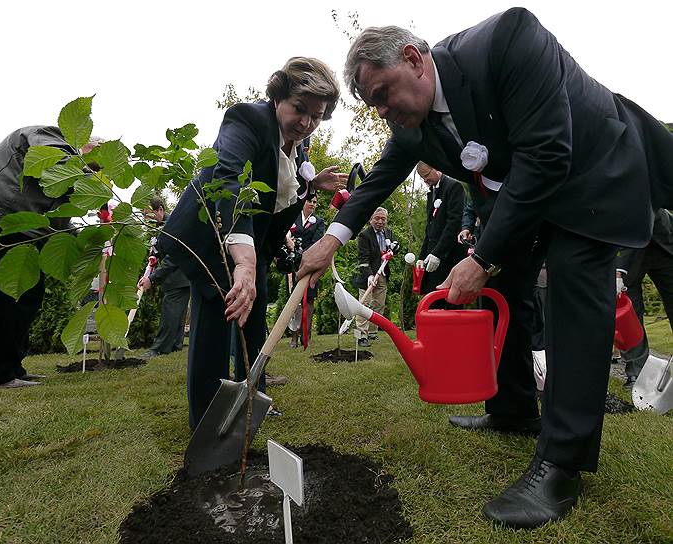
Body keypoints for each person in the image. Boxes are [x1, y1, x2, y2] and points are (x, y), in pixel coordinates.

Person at [297, 9, 673, 528]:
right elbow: (377, 181)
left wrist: (481, 257)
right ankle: (513, 410)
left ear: (414, 59)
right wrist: (331, 241)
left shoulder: (508, 40)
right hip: (530, 200)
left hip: (593, 171)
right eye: (373, 104)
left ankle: (561, 464)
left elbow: (545, 154)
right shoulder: (413, 125)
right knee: (510, 287)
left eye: (383, 94)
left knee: (570, 294)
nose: (383, 111)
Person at [159, 57, 345, 429]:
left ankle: (250, 398)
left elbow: (278, 195)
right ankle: (208, 423)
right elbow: (231, 181)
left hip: (253, 250)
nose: (307, 123)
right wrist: (242, 261)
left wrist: (311, 185)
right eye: (300, 110)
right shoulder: (247, 120)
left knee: (255, 322)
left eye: (317, 116)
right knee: (215, 322)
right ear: (278, 97)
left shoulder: (298, 148)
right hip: (211, 238)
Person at [0, 126, 100, 388]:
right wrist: (86, 174)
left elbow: (59, 218)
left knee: (27, 298)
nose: (95, 170)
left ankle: (13, 368)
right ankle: (2, 373)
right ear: (84, 144)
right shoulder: (54, 137)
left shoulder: (66, 178)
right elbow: (52, 161)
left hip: (28, 232)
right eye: (96, 160)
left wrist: (84, 237)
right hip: (7, 221)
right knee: (10, 300)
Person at [616, 208, 673, 387]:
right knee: (629, 310)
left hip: (663, 243)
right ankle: (638, 372)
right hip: (629, 250)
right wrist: (618, 271)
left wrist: (619, 270)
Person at [138, 197, 191, 359]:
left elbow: (172, 258)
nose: (147, 218)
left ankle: (158, 348)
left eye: (149, 214)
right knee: (177, 314)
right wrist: (148, 272)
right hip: (177, 279)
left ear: (160, 210)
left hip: (178, 277)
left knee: (170, 313)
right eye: (144, 216)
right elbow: (156, 254)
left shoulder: (170, 226)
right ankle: (175, 345)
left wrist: (152, 279)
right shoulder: (160, 227)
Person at [415, 162, 466, 296]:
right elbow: (430, 228)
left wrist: (437, 253)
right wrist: (422, 256)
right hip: (432, 257)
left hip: (449, 257)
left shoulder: (454, 187)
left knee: (446, 302)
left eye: (426, 175)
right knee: (431, 300)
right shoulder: (431, 192)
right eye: (422, 178)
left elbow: (453, 224)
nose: (425, 180)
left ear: (436, 168)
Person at [353, 207, 396, 347]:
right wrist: (370, 275)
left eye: (383, 219)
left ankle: (372, 332)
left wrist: (395, 249)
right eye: (377, 218)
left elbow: (393, 249)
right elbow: (363, 258)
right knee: (363, 305)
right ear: (371, 219)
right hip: (368, 275)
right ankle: (361, 335)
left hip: (383, 274)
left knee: (379, 304)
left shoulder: (388, 232)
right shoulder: (364, 235)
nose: (380, 221)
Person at [286, 192, 325, 348]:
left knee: (309, 301)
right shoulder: (292, 218)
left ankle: (306, 336)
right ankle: (294, 337)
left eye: (315, 202)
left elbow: (318, 243)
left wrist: (303, 255)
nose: (313, 204)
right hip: (292, 267)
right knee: (294, 302)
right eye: (310, 201)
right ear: (303, 202)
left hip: (310, 266)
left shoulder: (319, 222)